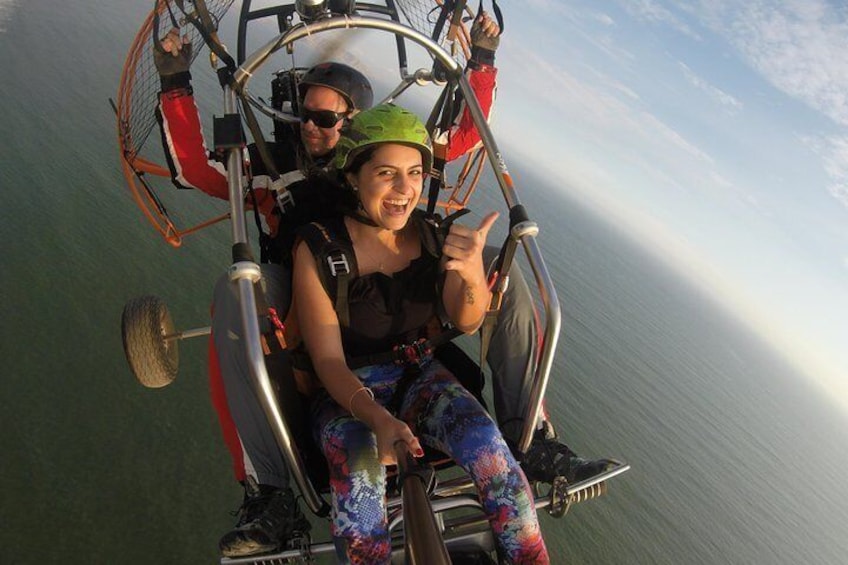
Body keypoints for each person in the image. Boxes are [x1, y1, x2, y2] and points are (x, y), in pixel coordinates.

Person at [154, 11, 610, 559]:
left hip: (390, 301)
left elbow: (462, 135)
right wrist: (175, 81)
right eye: (307, 114)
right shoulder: (271, 161)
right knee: (240, 296)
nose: (313, 127)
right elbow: (197, 172)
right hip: (304, 284)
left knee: (499, 267)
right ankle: (269, 492)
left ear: (357, 128)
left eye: (328, 117)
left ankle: (531, 435)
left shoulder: (387, 161)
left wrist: (482, 62)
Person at [294, 102, 549, 565]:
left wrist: (471, 274)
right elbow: (328, 361)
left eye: (414, 173)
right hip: (346, 395)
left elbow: (467, 320)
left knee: (494, 458)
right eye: (387, 173)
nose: (404, 189)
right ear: (354, 176)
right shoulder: (319, 248)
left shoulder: (432, 238)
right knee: (360, 478)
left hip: (420, 379)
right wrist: (378, 421)